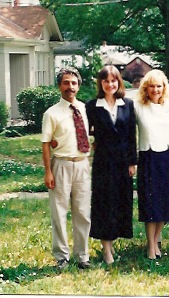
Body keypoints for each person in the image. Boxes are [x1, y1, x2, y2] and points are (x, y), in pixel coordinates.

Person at [85, 65, 137, 265]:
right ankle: (106, 249)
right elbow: (84, 129)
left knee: (120, 202)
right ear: (101, 83)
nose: (110, 84)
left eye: (113, 81)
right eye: (106, 81)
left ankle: (114, 240)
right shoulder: (92, 106)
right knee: (104, 204)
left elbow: (132, 134)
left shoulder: (128, 104)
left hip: (123, 162)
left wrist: (133, 161)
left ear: (119, 82)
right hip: (104, 163)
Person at [41, 67, 91, 270]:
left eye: (73, 83)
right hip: (60, 164)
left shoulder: (86, 109)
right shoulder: (51, 113)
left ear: (78, 86)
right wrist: (48, 171)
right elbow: (45, 143)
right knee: (59, 212)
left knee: (83, 212)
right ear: (59, 86)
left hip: (82, 165)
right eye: (66, 83)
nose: (70, 87)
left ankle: (83, 256)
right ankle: (62, 256)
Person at [134, 69, 169, 260]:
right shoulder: (137, 107)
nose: (155, 89)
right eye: (151, 86)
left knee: (165, 201)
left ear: (164, 88)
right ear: (146, 88)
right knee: (150, 202)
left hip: (168, 156)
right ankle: (151, 245)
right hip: (149, 157)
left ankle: (156, 240)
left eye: (159, 86)